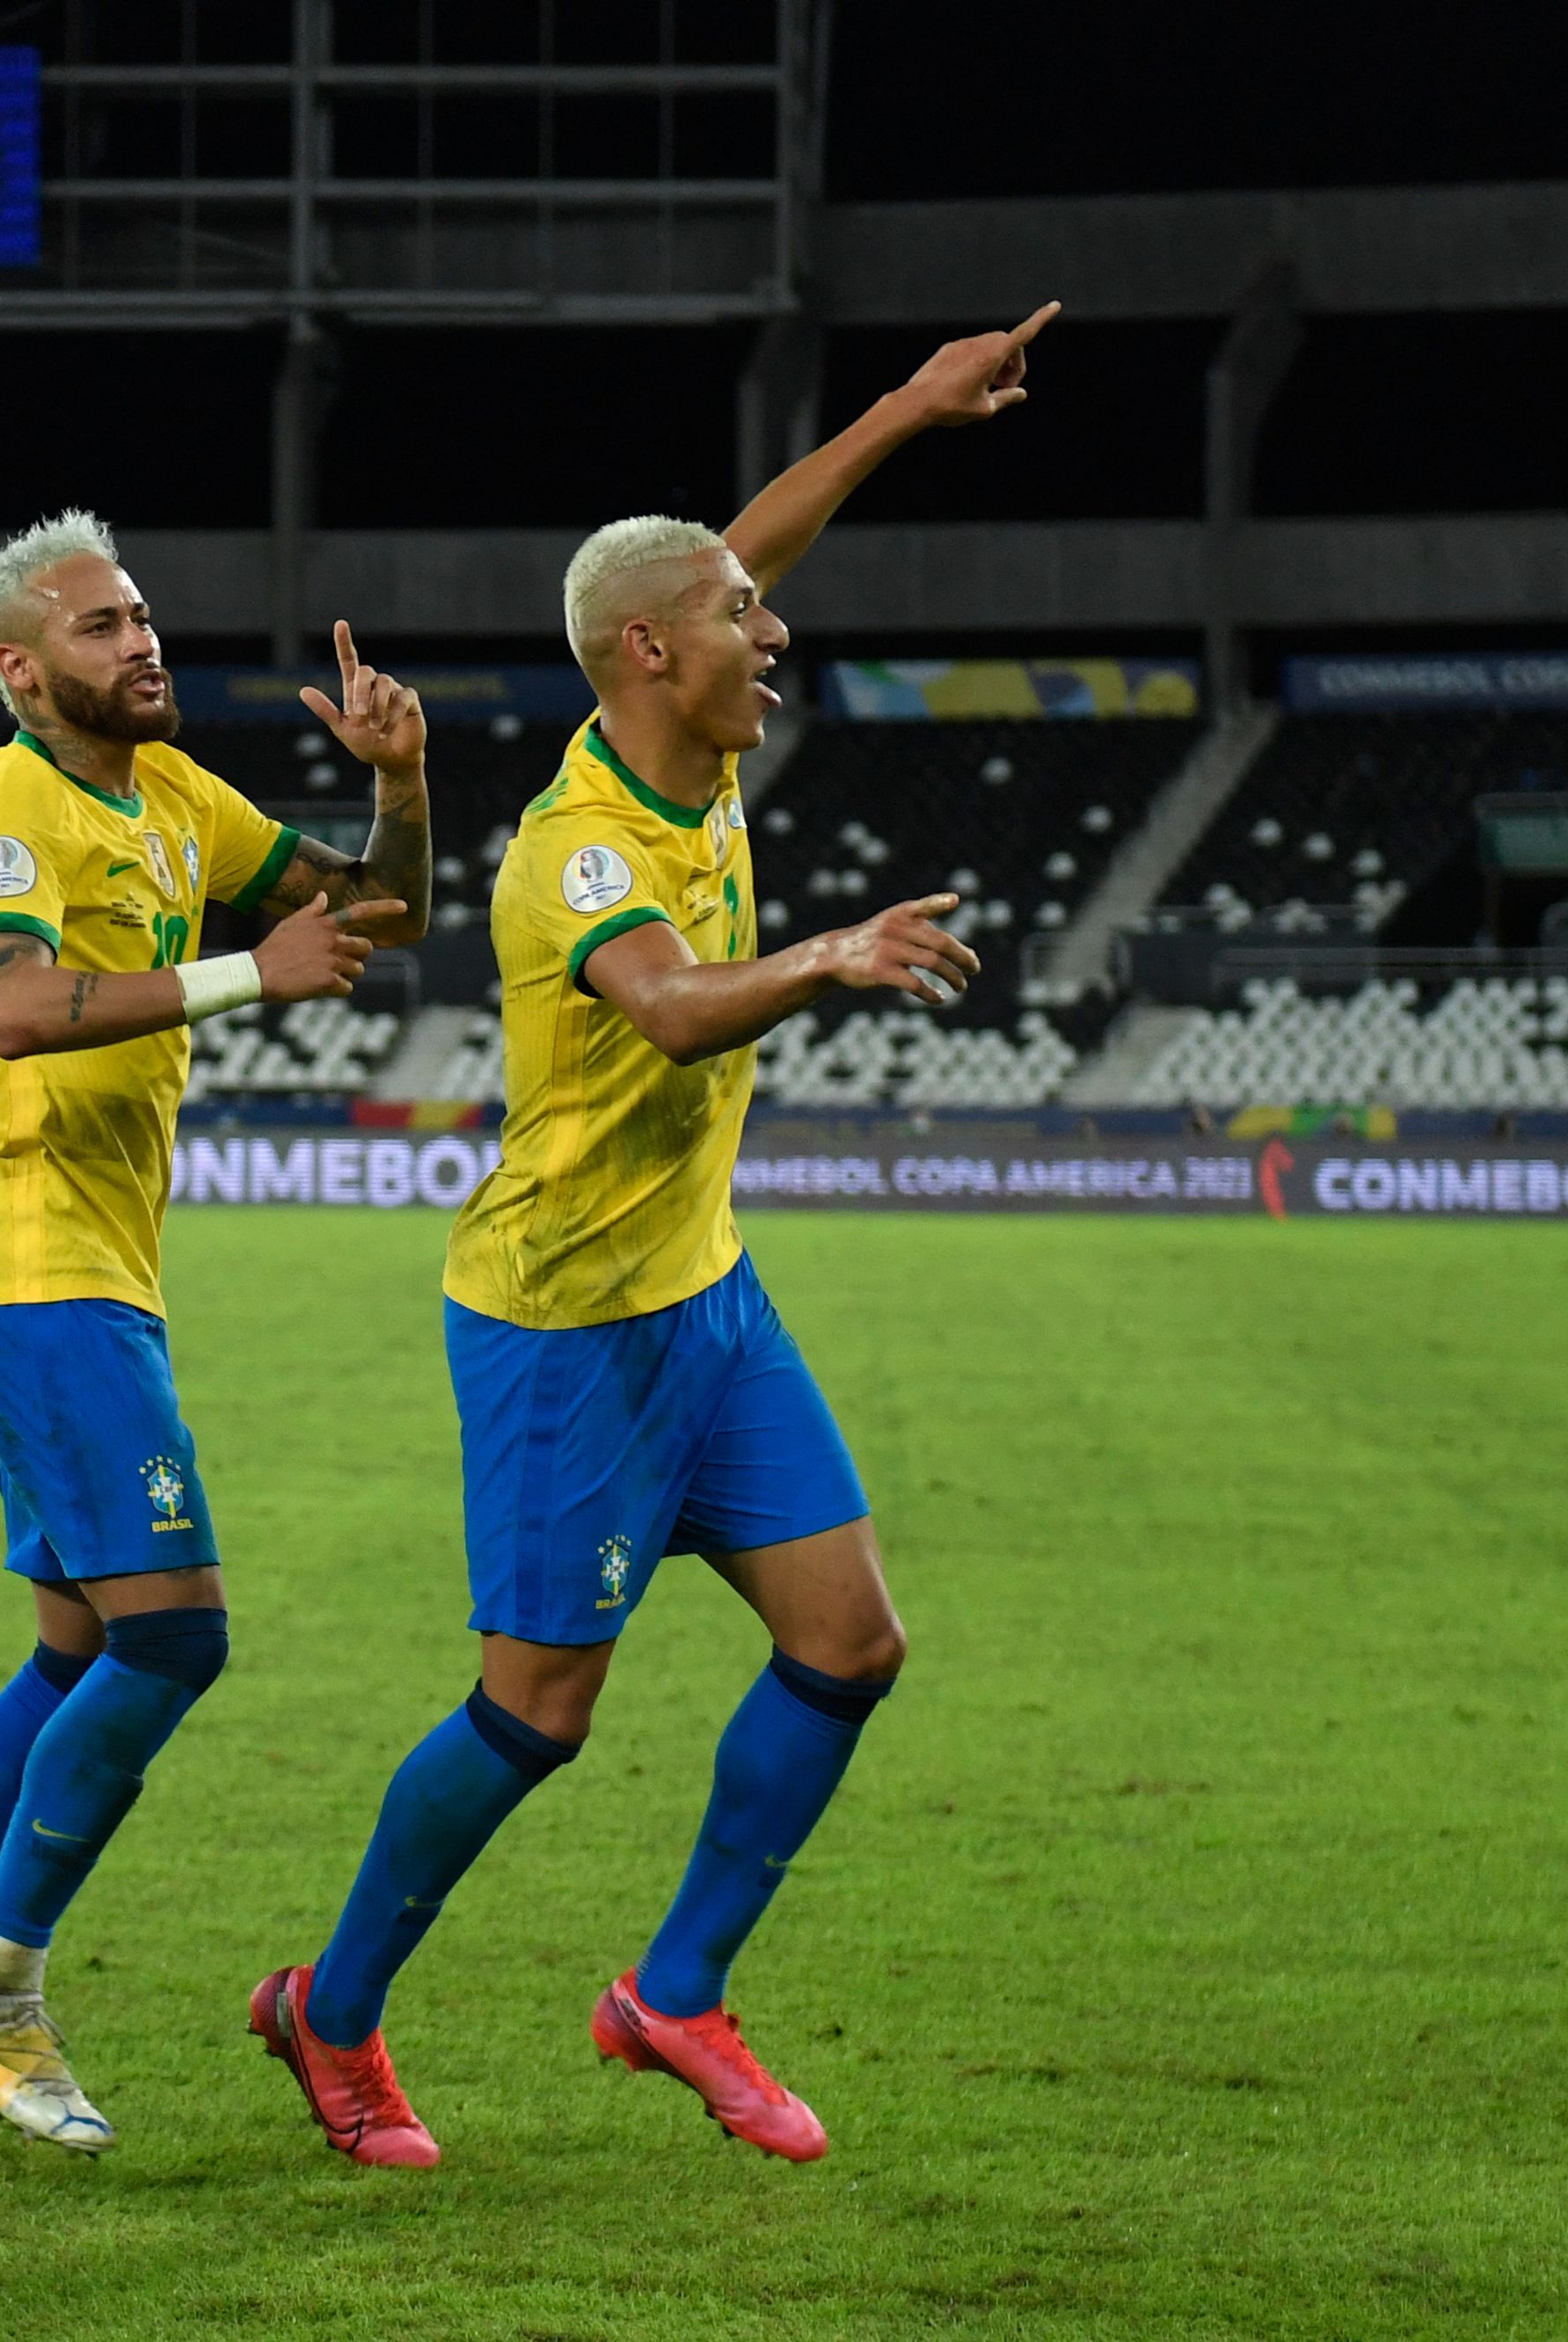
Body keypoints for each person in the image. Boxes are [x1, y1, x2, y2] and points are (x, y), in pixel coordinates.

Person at [248, 308, 1055, 2169]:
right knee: (536, 1719)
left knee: (848, 1646)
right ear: (648, 654)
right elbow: (676, 1008)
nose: (772, 630)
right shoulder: (578, 849)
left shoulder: (697, 723)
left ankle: (672, 1994)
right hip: (561, 1328)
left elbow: (746, 543)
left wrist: (910, 410)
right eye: (738, 621)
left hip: (704, 1298)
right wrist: (832, 952)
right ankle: (332, 2008)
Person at [0, 510, 427, 2153]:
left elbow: (382, 915)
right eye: (97, 628)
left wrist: (397, 788)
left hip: (81, 1272)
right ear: (21, 671)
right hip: (28, 1266)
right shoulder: (12, 804)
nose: (140, 643)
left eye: (140, 614)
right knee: (173, 1638)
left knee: (75, 1649)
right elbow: (12, 1005)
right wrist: (246, 980)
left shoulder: (173, 796)